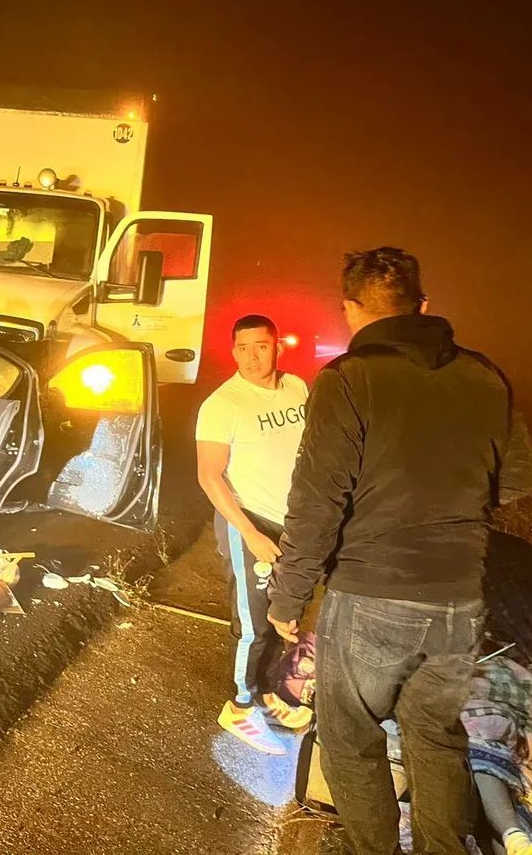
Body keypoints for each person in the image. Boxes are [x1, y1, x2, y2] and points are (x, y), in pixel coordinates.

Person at [267, 247, 532, 855]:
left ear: (350, 309)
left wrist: (287, 597)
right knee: (437, 736)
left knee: (349, 738)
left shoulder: (348, 379)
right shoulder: (483, 376)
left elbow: (316, 504)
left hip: (370, 594)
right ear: (424, 307)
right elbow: (520, 477)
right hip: (457, 600)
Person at [196, 314, 315, 756]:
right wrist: (247, 532)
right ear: (232, 352)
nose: (252, 356)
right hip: (248, 522)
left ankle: (267, 693)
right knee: (252, 622)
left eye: (261, 346)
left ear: (277, 345)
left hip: (292, 523)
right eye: (242, 348)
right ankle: (241, 706)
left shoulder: (297, 389)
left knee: (282, 615)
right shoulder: (223, 404)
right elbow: (209, 477)